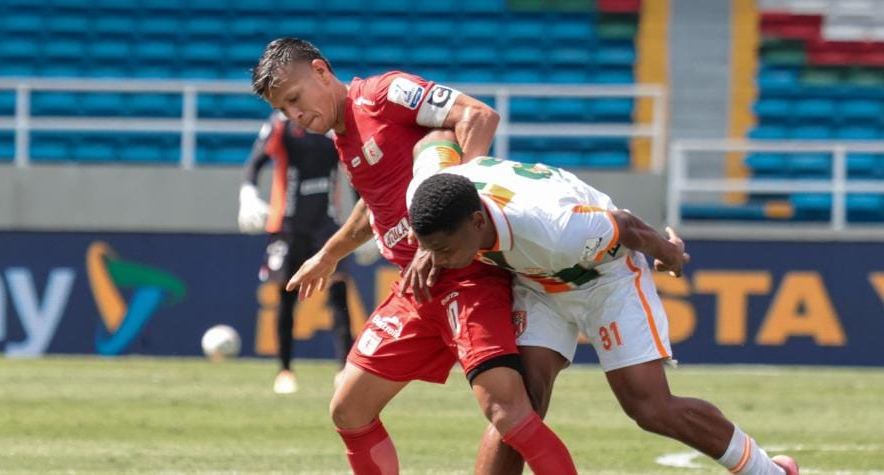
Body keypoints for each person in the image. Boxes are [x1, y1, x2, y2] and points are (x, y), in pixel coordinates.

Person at [251, 38, 576, 474]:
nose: (295, 115)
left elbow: (479, 116)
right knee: (349, 409)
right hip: (415, 287)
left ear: (322, 71)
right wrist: (328, 255)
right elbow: (374, 207)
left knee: (509, 414)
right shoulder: (344, 137)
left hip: (465, 275)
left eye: (294, 98)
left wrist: (452, 213)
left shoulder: (385, 95)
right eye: (284, 110)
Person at [406, 134, 801, 475]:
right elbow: (431, 140)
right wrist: (429, 246)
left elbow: (626, 225)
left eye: (442, 247)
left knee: (649, 408)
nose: (437, 258)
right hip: (537, 284)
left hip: (604, 280)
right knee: (519, 404)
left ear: (476, 222)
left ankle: (769, 469)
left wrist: (670, 253)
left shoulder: (553, 228)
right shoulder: (430, 195)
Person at [237, 111, 353, 394]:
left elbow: (356, 174)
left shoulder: (334, 125)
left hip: (327, 223)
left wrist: (372, 218)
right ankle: (285, 370)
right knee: (287, 295)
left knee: (338, 293)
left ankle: (345, 370)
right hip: (287, 224)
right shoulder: (281, 125)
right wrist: (247, 192)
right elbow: (255, 162)